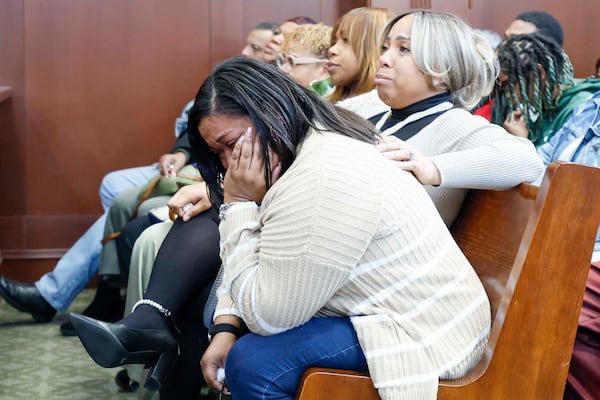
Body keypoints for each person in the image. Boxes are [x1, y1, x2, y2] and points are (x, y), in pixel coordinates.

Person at [71, 55, 489, 400]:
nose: (229, 164)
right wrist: (227, 326)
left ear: (270, 112)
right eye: (218, 154)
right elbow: (264, 263)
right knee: (220, 323)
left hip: (423, 329)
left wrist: (237, 205)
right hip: (379, 307)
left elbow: (270, 315)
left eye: (231, 145)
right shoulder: (301, 148)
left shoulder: (323, 174)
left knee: (255, 364)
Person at [0, 103, 194, 323]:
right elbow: (200, 117)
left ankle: (69, 292)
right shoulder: (222, 74)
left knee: (126, 206)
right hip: (190, 157)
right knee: (112, 185)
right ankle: (105, 290)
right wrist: (181, 152)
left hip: (204, 169)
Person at [532, 91, 600, 399]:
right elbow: (544, 158)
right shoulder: (592, 104)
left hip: (590, 250)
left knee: (556, 301)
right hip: (558, 236)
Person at [492, 32, 600, 147]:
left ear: (539, 74)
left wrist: (522, 142)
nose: (508, 95)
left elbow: (567, 163)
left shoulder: (581, 107)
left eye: (510, 85)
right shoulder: (540, 108)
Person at [326, 7, 393, 118]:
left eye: (346, 40)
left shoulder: (379, 115)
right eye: (334, 41)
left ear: (376, 48)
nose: (332, 50)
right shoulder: (327, 106)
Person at [276, 23, 333, 96]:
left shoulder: (339, 106)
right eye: (282, 61)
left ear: (325, 70)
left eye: (291, 61)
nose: (282, 69)